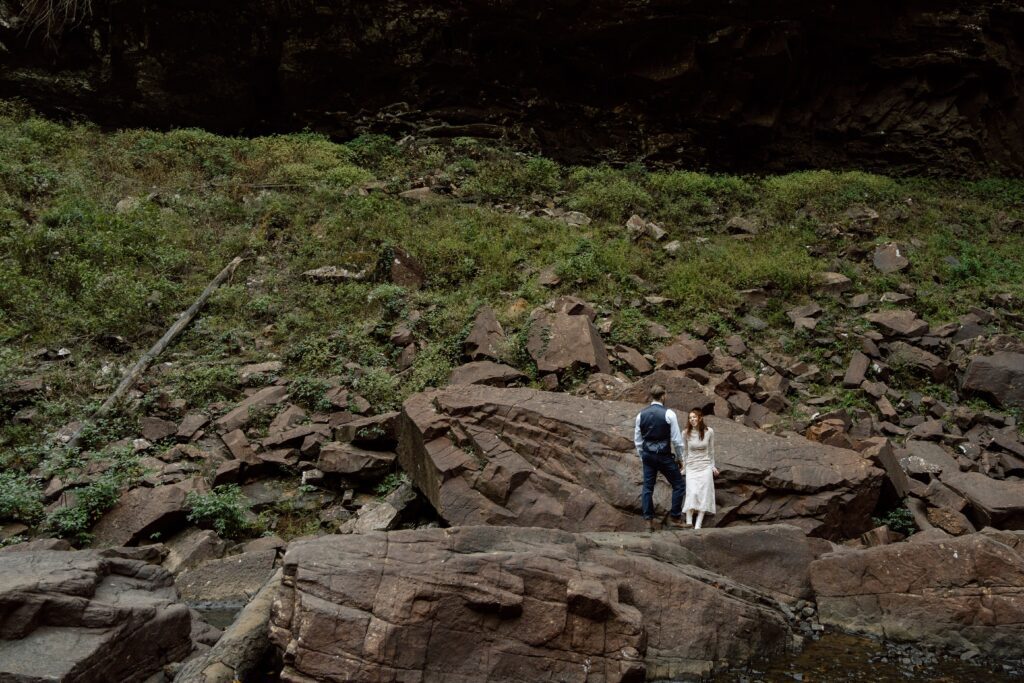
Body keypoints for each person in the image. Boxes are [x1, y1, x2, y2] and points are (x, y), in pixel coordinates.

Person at [634, 384, 686, 531]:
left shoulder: (640, 415)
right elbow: (677, 440)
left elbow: (638, 440)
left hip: (648, 456)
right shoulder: (669, 414)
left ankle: (648, 522)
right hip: (663, 456)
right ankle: (675, 518)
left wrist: (642, 456)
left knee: (647, 488)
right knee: (679, 485)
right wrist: (681, 459)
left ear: (652, 396)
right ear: (663, 396)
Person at [682, 408, 717, 529]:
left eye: (694, 417)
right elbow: (684, 452)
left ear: (700, 418)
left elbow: (711, 451)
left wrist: (712, 466)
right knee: (692, 493)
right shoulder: (685, 433)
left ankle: (698, 524)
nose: (692, 419)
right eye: (690, 418)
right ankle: (688, 523)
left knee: (704, 494)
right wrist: (684, 467)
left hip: (705, 466)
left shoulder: (709, 431)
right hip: (692, 466)